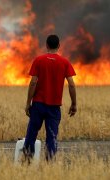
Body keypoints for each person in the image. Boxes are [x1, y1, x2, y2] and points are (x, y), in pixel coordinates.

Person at [23, 34, 77, 162]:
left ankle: (27, 162)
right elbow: (72, 84)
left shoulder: (38, 60)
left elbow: (33, 82)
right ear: (59, 46)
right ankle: (50, 163)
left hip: (38, 105)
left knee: (31, 134)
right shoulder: (65, 62)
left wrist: (28, 103)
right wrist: (74, 104)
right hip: (54, 107)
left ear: (46, 45)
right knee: (52, 136)